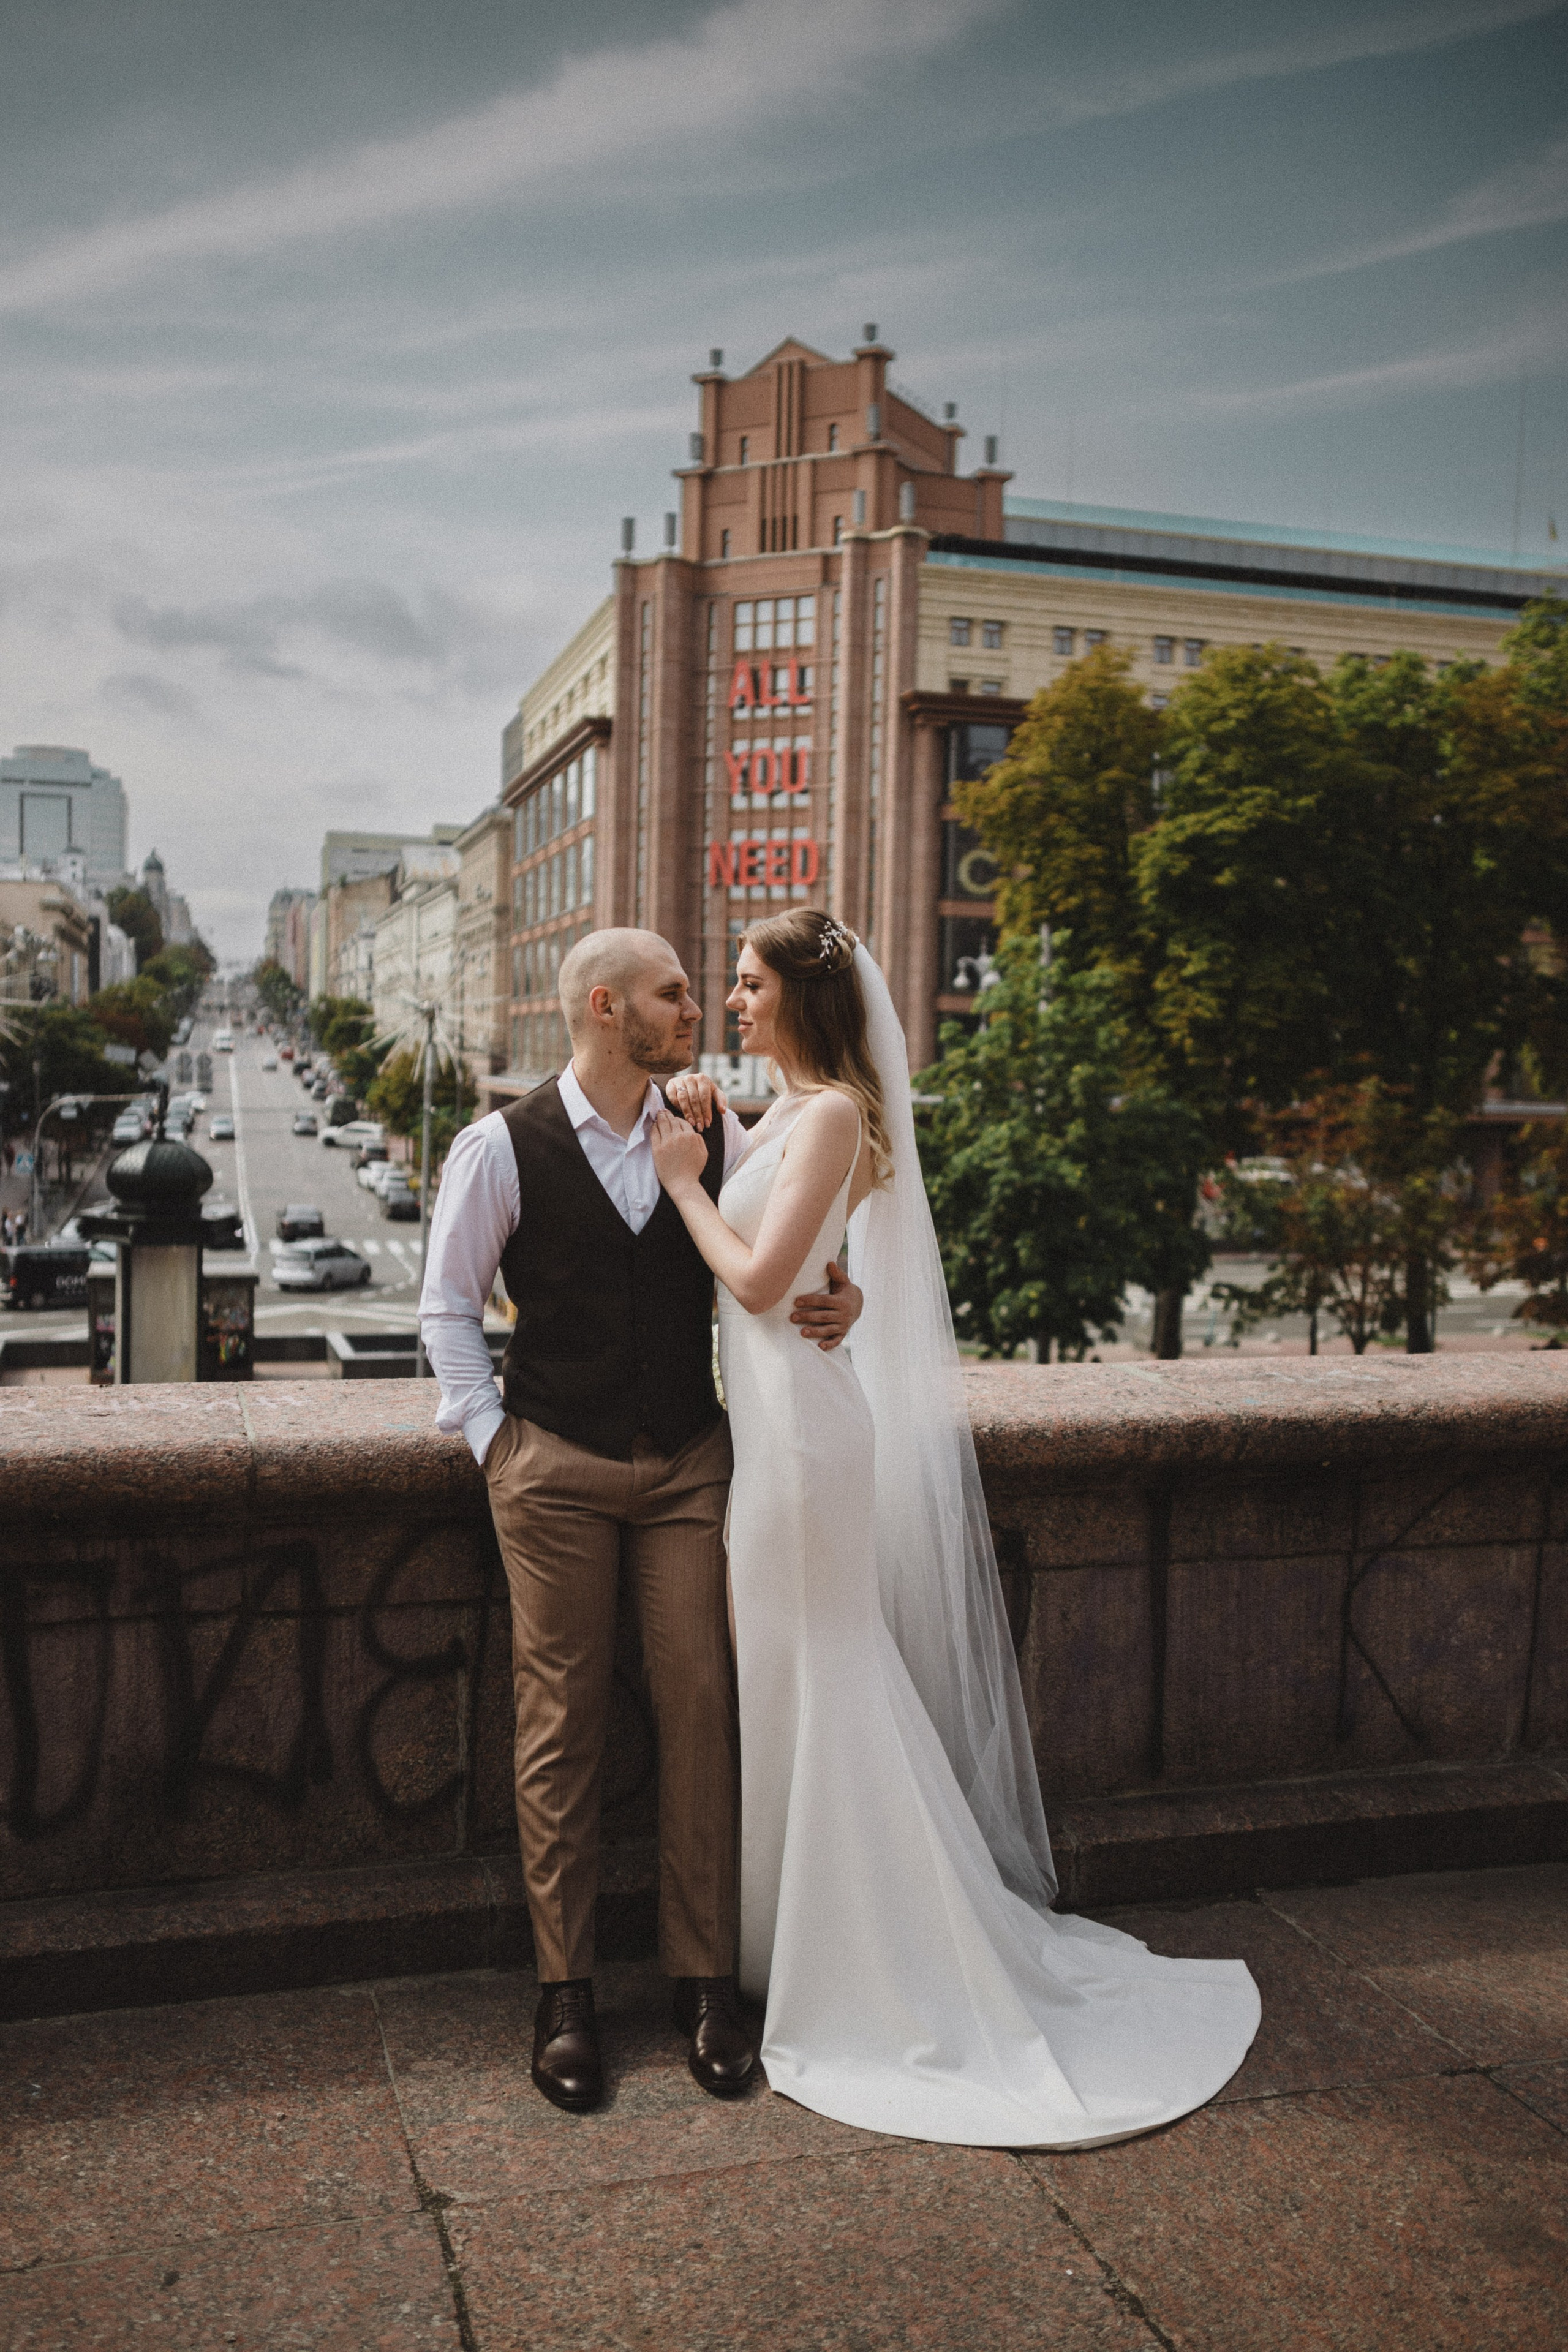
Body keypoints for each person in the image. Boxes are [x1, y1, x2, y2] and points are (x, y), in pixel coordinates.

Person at [649, 908, 1260, 2147]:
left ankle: (861, 1949)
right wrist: (724, 1138)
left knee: (821, 1674)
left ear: (803, 999)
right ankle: (790, 1931)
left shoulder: (827, 1114)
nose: (731, 1001)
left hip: (805, 1446)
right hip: (782, 1433)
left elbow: (763, 1280)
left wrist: (680, 1187)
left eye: (749, 984)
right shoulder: (804, 1111)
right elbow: (816, 1251)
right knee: (788, 1679)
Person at [418, 927, 861, 2115]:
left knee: (701, 1705)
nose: (696, 1006)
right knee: (557, 1721)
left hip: (686, 1465)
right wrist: (495, 1445)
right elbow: (445, 1309)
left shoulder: (709, 1123)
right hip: (550, 1465)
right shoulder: (498, 1146)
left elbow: (813, 1222)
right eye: (673, 992)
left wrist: (843, 1288)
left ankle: (703, 1983)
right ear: (608, 1009)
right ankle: (564, 1994)